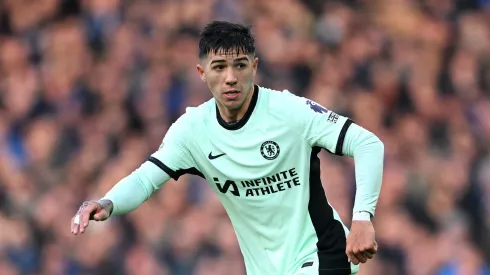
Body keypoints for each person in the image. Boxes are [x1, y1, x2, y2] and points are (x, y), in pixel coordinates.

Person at [70, 20, 384, 275]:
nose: (231, 78)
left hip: (323, 255)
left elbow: (368, 143)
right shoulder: (193, 130)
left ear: (255, 67)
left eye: (240, 65)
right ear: (201, 72)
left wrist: (362, 217)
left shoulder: (290, 112)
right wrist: (108, 202)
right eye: (219, 67)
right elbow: (145, 179)